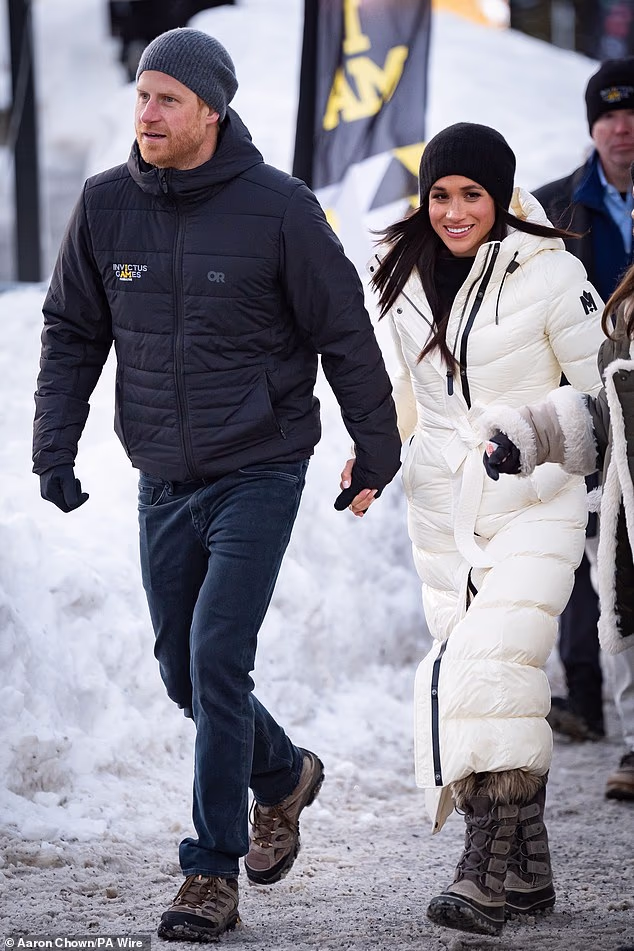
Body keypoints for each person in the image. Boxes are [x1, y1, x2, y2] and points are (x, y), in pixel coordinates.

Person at [32, 28, 402, 942]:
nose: (146, 112)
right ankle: (283, 775)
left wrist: (377, 446)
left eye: (166, 99)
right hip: (164, 475)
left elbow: (345, 332)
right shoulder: (105, 204)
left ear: (211, 111)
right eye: (142, 96)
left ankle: (210, 870)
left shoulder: (279, 208)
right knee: (178, 669)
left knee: (215, 655)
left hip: (260, 465)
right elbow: (72, 331)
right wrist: (56, 447)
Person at [354, 122, 605, 937]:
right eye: (439, 194)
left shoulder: (553, 275)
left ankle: (482, 875)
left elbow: (611, 393)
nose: (454, 210)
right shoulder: (402, 278)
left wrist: (533, 429)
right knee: (486, 685)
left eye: (471, 194)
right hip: (444, 519)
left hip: (536, 499)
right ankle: (530, 872)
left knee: (482, 670)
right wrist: (372, 461)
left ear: (500, 197)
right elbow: (403, 397)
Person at [482, 232, 634, 806]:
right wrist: (528, 437)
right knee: (628, 634)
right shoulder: (624, 316)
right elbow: (604, 411)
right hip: (629, 524)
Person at [533, 57, 634, 757]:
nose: (622, 130)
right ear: (591, 126)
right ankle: (585, 695)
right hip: (583, 401)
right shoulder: (554, 206)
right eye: (608, 116)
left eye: (633, 116)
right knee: (579, 538)